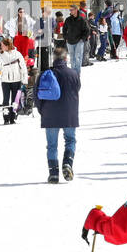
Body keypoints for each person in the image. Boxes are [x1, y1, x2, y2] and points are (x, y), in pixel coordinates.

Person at [36, 45, 81, 182]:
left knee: (51, 145)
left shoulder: (46, 74)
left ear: (53, 58)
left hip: (50, 115)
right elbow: (77, 89)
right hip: (69, 114)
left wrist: (42, 111)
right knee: (70, 140)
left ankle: (53, 173)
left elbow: (37, 97)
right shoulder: (73, 73)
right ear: (66, 58)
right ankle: (67, 163)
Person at [0, 37, 28, 124]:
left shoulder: (17, 54)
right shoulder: (1, 56)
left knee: (15, 100)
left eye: (2, 45)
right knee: (5, 100)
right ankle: (6, 118)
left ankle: (13, 117)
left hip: (17, 80)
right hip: (5, 81)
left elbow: (23, 67)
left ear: (7, 46)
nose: (1, 47)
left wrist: (24, 80)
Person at [62, 6, 89, 71]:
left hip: (79, 41)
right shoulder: (68, 19)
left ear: (76, 10)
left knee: (78, 57)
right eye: (70, 10)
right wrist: (66, 37)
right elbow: (64, 29)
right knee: (72, 57)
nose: (70, 11)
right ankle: (73, 73)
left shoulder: (82, 19)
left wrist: (82, 39)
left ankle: (77, 73)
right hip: (70, 41)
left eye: (72, 10)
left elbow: (87, 30)